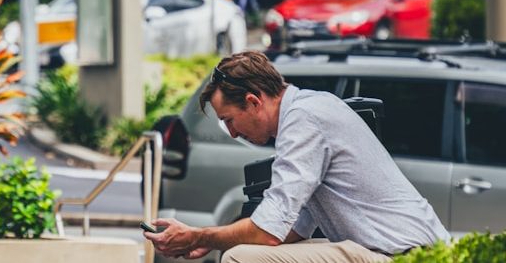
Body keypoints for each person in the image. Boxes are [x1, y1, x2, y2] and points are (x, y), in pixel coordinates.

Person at [143, 52, 449, 263]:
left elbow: (268, 232)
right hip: (400, 249)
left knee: (240, 258)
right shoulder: (311, 108)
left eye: (229, 120)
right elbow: (293, 229)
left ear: (253, 102)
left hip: (401, 254)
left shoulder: (302, 120)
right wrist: (212, 239)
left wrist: (198, 237)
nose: (232, 133)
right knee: (245, 250)